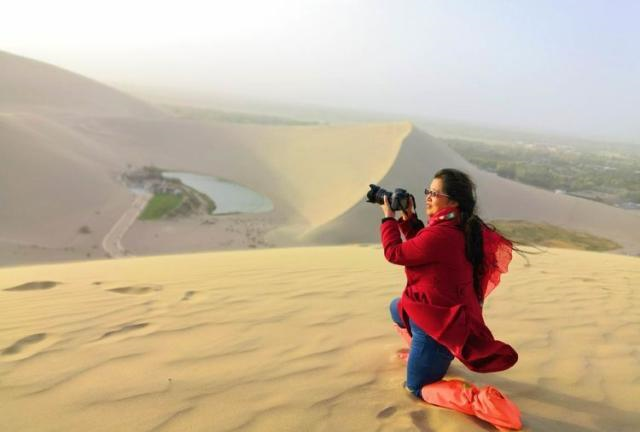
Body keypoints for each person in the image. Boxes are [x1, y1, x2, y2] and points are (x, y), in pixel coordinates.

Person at [379, 168, 518, 400]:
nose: (428, 197)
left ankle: (479, 401)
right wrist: (409, 219)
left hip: (438, 327)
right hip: (428, 310)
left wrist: (388, 218)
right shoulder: (457, 227)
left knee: (414, 388)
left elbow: (394, 253)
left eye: (434, 193)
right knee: (397, 308)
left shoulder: (443, 235)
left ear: (452, 201)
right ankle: (424, 355)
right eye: (428, 191)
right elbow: (425, 247)